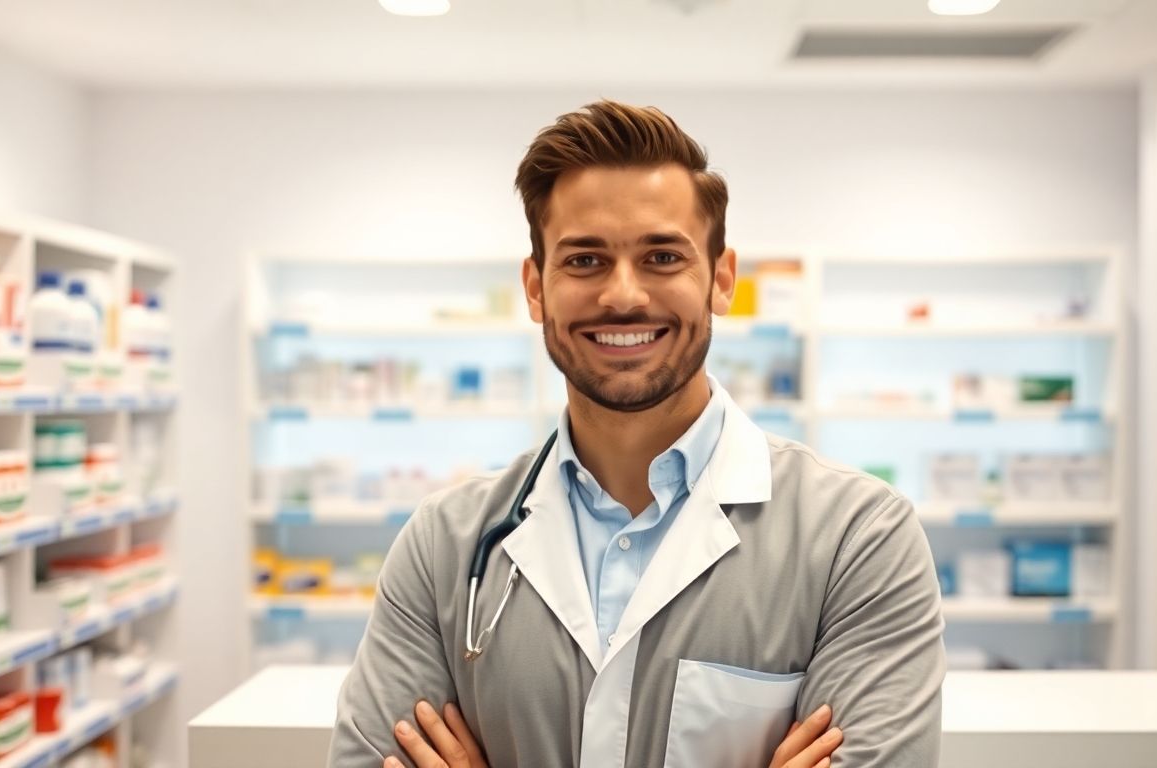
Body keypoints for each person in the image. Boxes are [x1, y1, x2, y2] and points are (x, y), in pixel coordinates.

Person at [328, 100, 945, 768]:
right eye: (585, 260)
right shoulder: (444, 546)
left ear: (721, 278)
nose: (623, 295)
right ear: (536, 288)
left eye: (661, 256)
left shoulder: (857, 538)